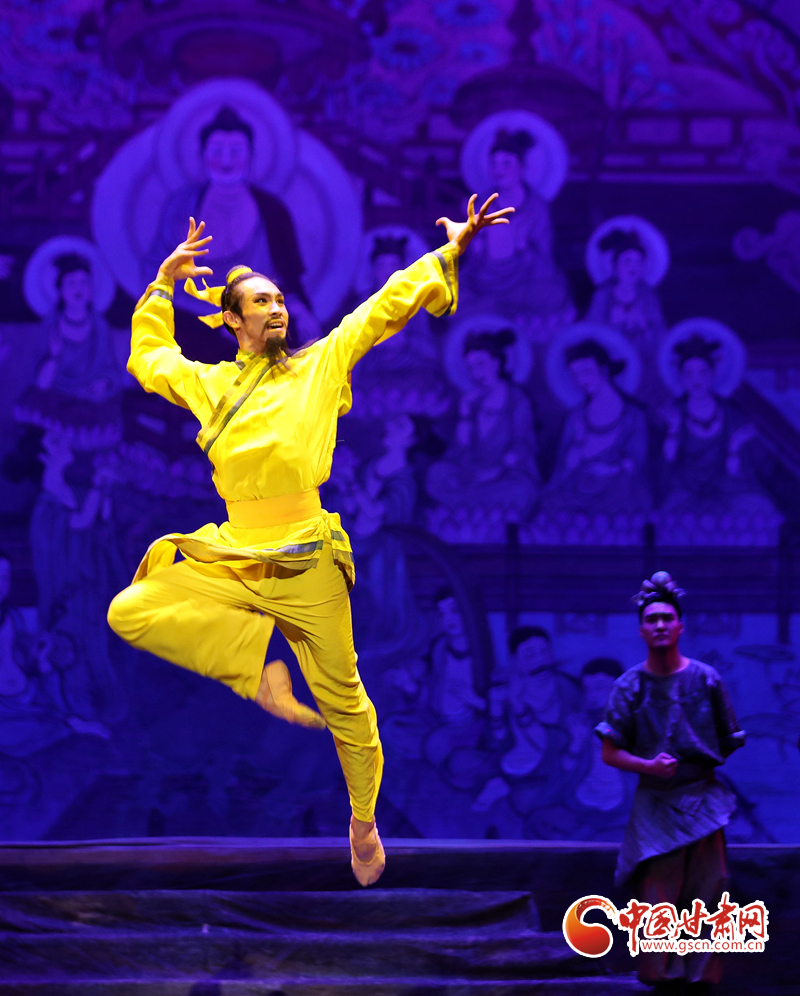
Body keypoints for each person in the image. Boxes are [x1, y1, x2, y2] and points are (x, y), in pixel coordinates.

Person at [107, 192, 513, 887]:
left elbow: (381, 308)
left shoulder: (319, 366)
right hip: (236, 553)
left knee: (346, 701)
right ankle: (257, 667)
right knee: (130, 609)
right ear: (232, 320)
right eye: (261, 302)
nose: (277, 309)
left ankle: (363, 820)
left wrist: (451, 249)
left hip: (305, 558)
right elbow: (149, 358)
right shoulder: (209, 384)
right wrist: (163, 284)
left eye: (280, 300)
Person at [596, 572, 746, 994]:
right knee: (658, 893)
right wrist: (648, 765)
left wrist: (693, 767)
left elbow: (729, 738)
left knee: (710, 888)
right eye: (652, 619)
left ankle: (701, 977)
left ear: (680, 625)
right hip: (656, 802)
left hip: (702, 799)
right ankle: (659, 977)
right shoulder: (630, 686)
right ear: (641, 629)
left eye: (667, 618)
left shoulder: (706, 679)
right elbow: (610, 751)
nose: (660, 625)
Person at [659, 335, 780, 544]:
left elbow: (740, 472)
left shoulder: (732, 414)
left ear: (714, 374)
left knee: (760, 509)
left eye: (703, 372)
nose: (696, 379)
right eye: (689, 373)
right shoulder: (671, 413)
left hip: (729, 487)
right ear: (680, 377)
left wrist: (734, 447)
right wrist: (674, 429)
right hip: (685, 488)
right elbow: (665, 465)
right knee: (674, 519)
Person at [426, 329, 539, 539]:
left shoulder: (517, 399)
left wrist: (496, 471)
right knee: (436, 474)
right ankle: (472, 508)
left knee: (519, 491)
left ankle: (467, 510)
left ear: (497, 362)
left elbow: (522, 446)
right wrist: (465, 415)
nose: (476, 373)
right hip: (473, 473)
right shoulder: (472, 401)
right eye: (470, 368)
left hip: (507, 474)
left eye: (480, 364)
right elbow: (460, 450)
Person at [461, 129, 573, 333]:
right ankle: (504, 314)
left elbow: (545, 258)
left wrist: (524, 249)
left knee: (554, 294)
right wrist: (476, 246)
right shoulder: (480, 205)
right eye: (494, 164)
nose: (499, 170)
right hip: (487, 280)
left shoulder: (537, 208)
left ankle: (500, 313)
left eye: (506, 164)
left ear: (521, 167)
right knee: (455, 294)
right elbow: (472, 260)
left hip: (526, 282)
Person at [538, 339, 650, 538]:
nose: (580, 380)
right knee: (551, 502)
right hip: (579, 484)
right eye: (574, 375)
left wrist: (610, 469)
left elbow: (635, 461)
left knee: (625, 498)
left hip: (617, 483)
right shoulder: (575, 417)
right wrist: (579, 441)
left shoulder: (633, 416)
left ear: (604, 370)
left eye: (586, 372)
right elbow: (565, 468)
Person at [587, 228, 666, 351]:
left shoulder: (648, 296)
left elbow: (661, 338)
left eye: (638, 262)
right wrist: (612, 324)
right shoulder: (603, 296)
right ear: (615, 266)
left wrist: (644, 325)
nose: (633, 267)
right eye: (627, 261)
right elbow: (589, 333)